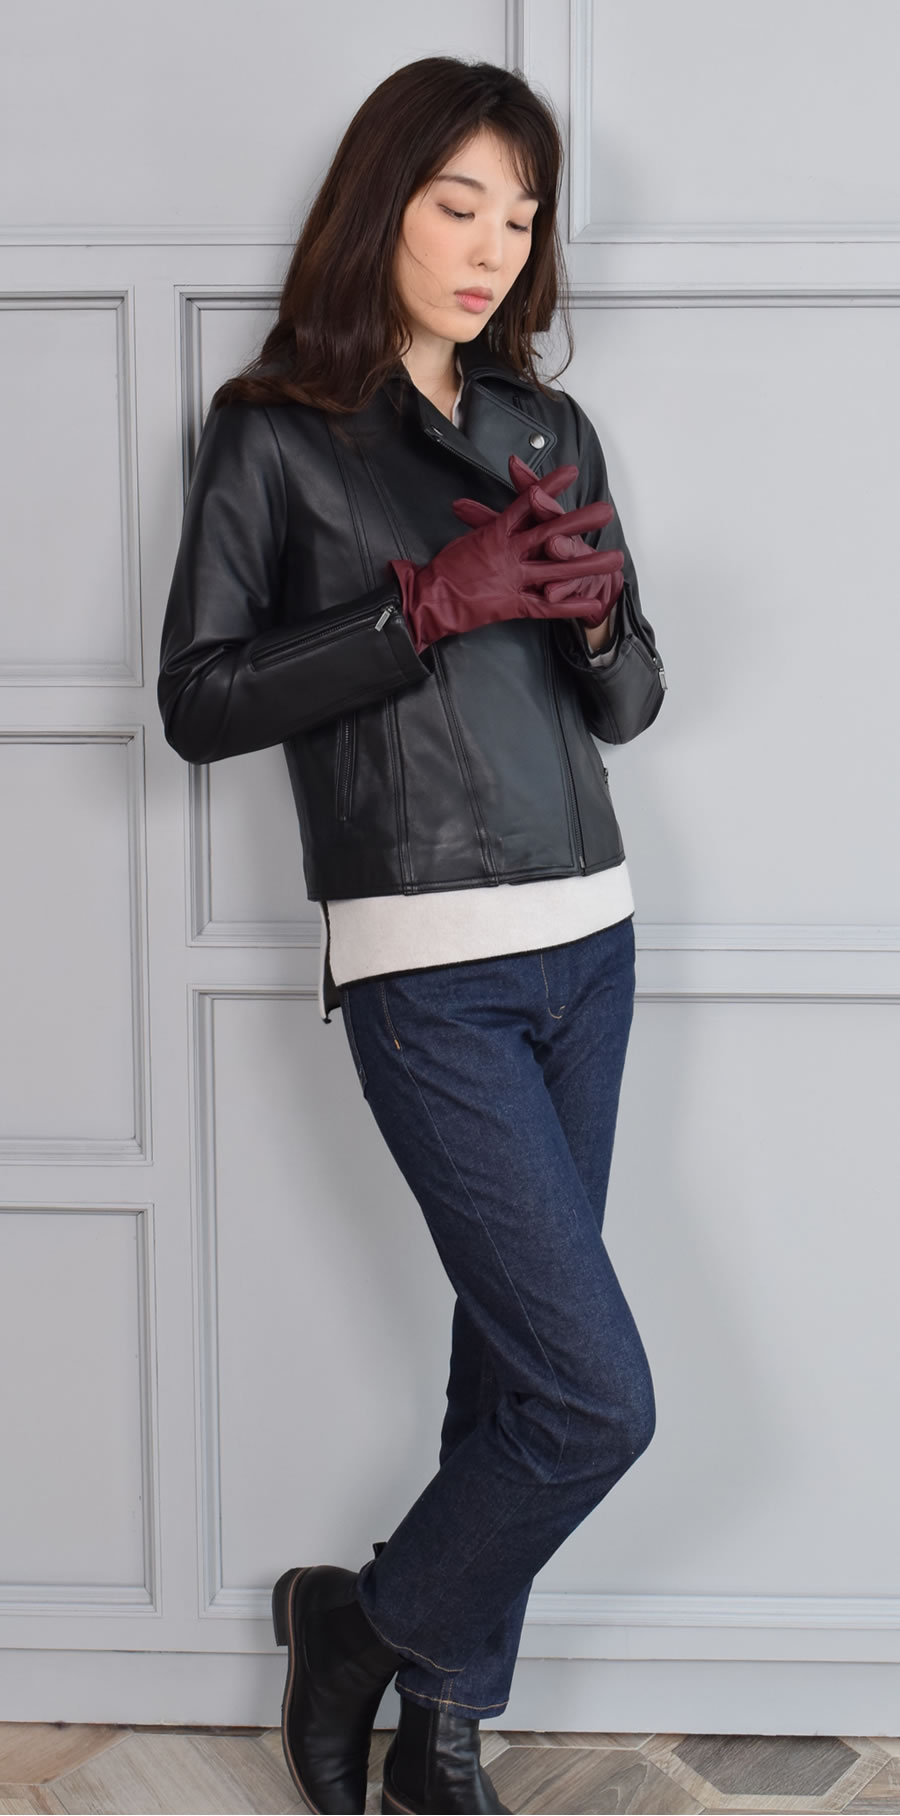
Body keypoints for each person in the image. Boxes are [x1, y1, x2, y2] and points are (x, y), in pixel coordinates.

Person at [158, 54, 667, 1816]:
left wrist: (594, 624)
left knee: (519, 1368)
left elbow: (630, 704)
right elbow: (201, 700)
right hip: (427, 968)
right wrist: (421, 608)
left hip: (591, 941)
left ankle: (441, 1724)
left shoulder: (547, 428)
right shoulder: (274, 431)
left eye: (520, 217)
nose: (492, 247)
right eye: (459, 205)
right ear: (383, 203)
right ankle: (356, 1630)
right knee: (600, 1401)